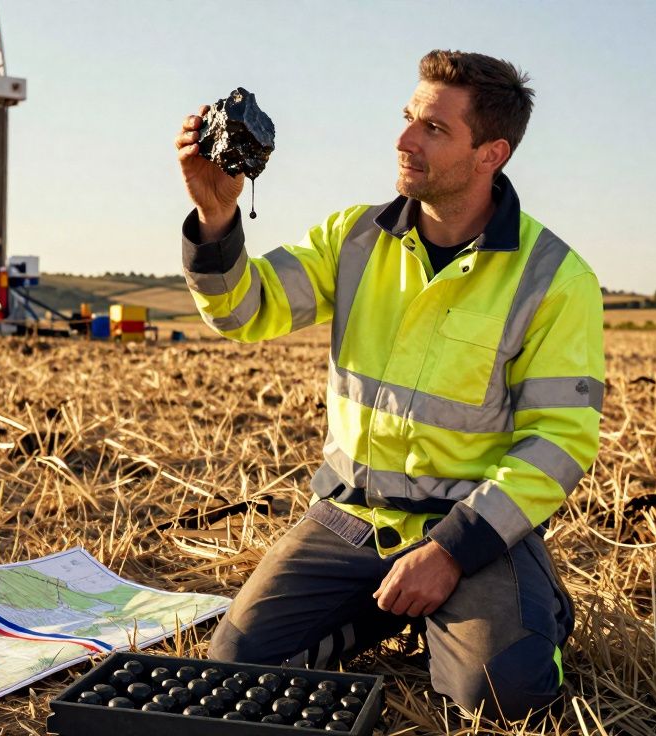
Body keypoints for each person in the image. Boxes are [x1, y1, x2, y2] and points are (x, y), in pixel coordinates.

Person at [175, 50, 604, 723]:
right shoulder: (353, 238)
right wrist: (215, 218)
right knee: (233, 669)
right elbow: (242, 311)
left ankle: (526, 602)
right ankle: (387, 613)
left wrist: (450, 551)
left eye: (433, 129)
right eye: (407, 119)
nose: (403, 140)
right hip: (349, 520)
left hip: (467, 528)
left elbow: (559, 443)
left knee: (505, 693)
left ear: (492, 153)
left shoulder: (555, 277)